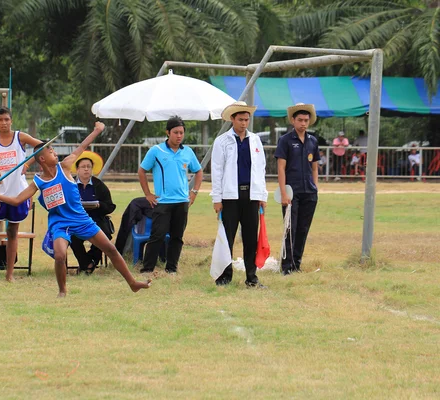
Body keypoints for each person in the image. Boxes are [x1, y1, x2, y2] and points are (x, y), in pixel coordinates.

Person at [0, 122, 151, 297]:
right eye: (51, 151)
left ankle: (133, 283)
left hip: (81, 219)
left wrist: (97, 130)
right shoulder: (39, 181)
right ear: (42, 159)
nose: (55, 153)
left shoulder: (65, 166)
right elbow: (16, 200)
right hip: (60, 224)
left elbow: (82, 146)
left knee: (111, 249)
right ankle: (62, 291)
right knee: (60, 256)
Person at [210, 101, 268, 288]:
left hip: (251, 196)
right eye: (241, 119)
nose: (244, 123)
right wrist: (217, 198)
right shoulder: (222, 141)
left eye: (247, 120)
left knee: (251, 238)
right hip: (230, 197)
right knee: (227, 237)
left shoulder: (255, 140)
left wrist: (262, 195)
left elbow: (261, 169)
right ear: (232, 119)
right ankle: (224, 277)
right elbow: (217, 171)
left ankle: (252, 277)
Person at [137, 116, 203, 275]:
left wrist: (193, 193)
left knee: (177, 237)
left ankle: (171, 269)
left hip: (182, 202)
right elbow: (141, 170)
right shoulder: (156, 151)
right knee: (157, 236)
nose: (179, 136)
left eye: (181, 132)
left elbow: (199, 171)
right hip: (163, 202)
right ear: (168, 132)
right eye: (175, 132)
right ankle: (147, 269)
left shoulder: (187, 152)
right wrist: (148, 194)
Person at [0, 106, 42, 282]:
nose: (4, 123)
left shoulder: (20, 137)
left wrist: (27, 164)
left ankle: (9, 274)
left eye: (7, 119)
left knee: (13, 232)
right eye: (0, 120)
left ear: (11, 120)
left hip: (18, 194)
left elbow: (43, 147)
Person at [274, 103, 320, 275]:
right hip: (291, 192)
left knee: (303, 229)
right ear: (293, 120)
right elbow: (281, 168)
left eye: (306, 120)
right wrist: (284, 193)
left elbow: (314, 167)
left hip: (309, 192)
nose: (303, 123)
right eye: (300, 120)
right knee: (290, 229)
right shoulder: (285, 140)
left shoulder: (313, 141)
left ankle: (297, 265)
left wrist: (315, 187)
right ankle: (286, 266)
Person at [70, 151, 116, 274]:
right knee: (72, 237)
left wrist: (99, 205)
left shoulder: (99, 185)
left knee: (104, 234)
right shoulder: (70, 184)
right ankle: (87, 264)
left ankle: (91, 261)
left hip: (96, 219)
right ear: (77, 169)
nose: (86, 170)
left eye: (88, 167)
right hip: (76, 220)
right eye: (83, 167)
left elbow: (110, 206)